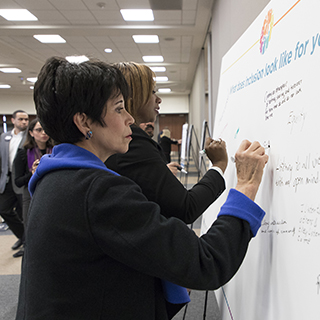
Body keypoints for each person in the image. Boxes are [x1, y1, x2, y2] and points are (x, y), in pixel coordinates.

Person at [16, 56, 268, 320]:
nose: (129, 119)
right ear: (84, 122)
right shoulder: (99, 192)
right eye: (119, 109)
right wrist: (246, 187)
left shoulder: (54, 177)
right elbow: (207, 263)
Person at [105, 62, 227, 225]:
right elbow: (186, 208)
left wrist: (159, 174)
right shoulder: (133, 142)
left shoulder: (116, 140)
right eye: (152, 92)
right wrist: (218, 165)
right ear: (134, 98)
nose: (158, 99)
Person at [14, 118, 53, 230]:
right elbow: (18, 182)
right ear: (31, 133)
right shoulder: (23, 153)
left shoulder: (56, 150)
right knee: (30, 226)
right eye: (39, 130)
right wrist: (33, 173)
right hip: (31, 192)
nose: (43, 133)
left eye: (46, 129)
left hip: (52, 189)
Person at [0, 110, 29, 258]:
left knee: (23, 213)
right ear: (13, 120)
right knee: (4, 209)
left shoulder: (29, 137)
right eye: (21, 119)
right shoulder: (5, 137)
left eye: (26, 119)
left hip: (21, 179)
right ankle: (22, 236)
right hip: (7, 179)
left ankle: (27, 243)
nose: (24, 122)